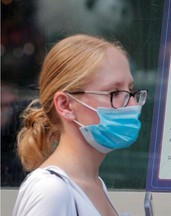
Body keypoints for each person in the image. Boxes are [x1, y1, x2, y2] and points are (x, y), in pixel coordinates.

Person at [13, 34, 148, 216]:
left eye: (130, 90)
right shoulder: (51, 190)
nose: (133, 105)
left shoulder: (94, 183)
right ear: (65, 105)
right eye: (114, 92)